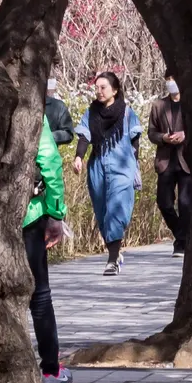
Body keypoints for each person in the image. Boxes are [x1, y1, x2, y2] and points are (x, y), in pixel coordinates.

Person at [73, 70, 142, 275]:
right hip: (98, 166)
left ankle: (111, 260)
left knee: (117, 208)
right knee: (102, 211)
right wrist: (79, 157)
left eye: (103, 87)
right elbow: (84, 136)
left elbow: (135, 139)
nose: (99, 91)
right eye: (97, 88)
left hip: (122, 165)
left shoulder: (127, 112)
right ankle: (115, 251)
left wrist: (134, 162)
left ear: (115, 89)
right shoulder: (91, 112)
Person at [25, 122, 72, 383]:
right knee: (39, 295)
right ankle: (51, 370)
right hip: (28, 214)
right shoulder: (28, 104)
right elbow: (49, 161)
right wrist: (55, 212)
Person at [147, 76, 192, 254]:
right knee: (164, 202)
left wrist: (184, 135)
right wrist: (163, 138)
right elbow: (151, 132)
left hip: (186, 161)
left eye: (174, 79)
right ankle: (183, 236)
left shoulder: (190, 104)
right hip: (165, 161)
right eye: (168, 80)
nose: (171, 82)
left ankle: (181, 243)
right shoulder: (158, 105)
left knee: (185, 203)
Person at [43, 77, 74, 148]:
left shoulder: (57, 106)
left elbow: (68, 133)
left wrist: (48, 137)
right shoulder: (19, 104)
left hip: (47, 156)